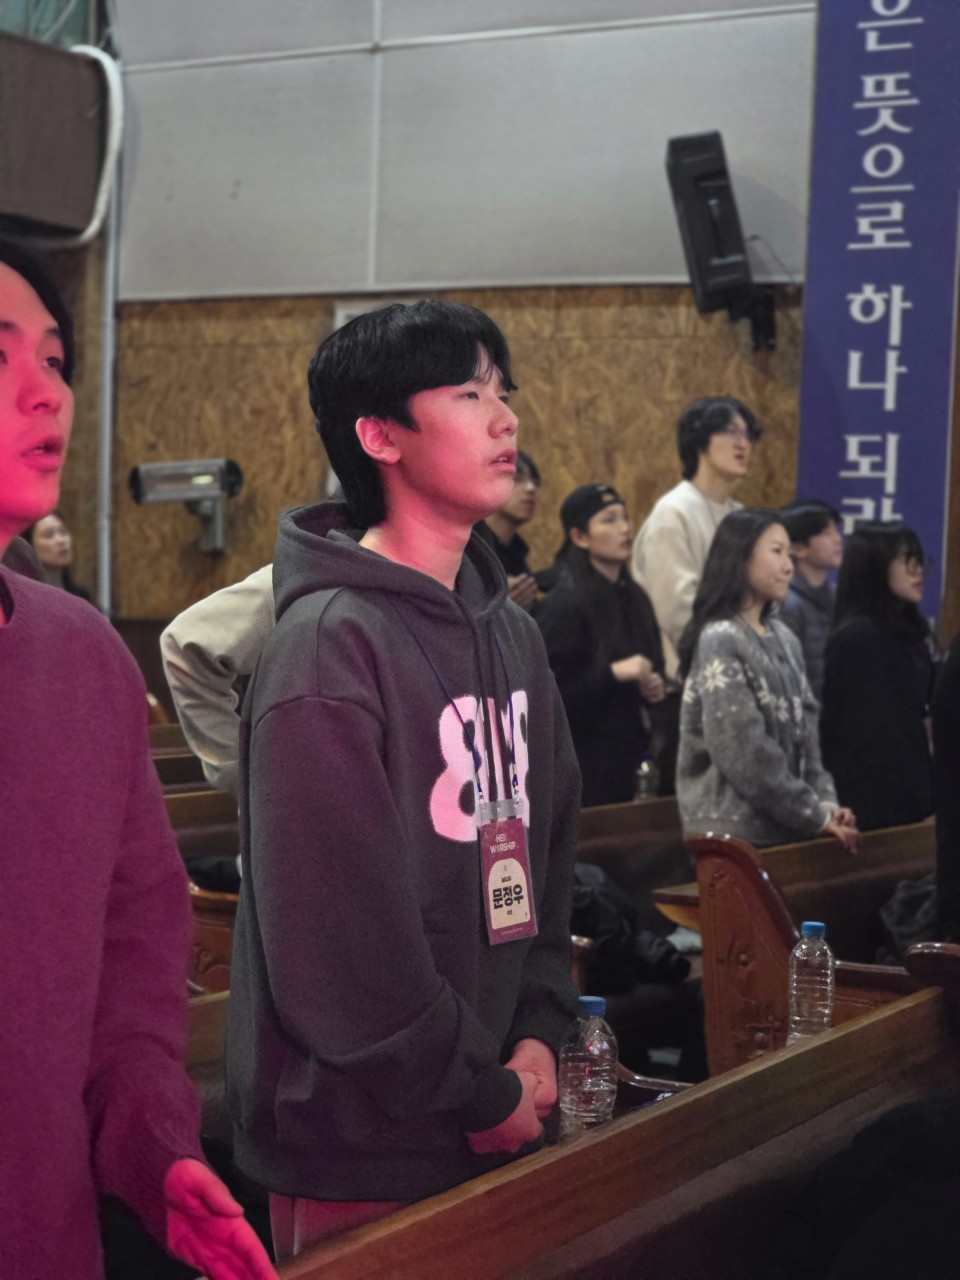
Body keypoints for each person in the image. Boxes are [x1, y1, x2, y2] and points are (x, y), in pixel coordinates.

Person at [225, 299, 580, 1259]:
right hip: (361, 1135)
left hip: (500, 1093)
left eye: (503, 392)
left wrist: (537, 1029)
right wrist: (473, 1088)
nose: (505, 418)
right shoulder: (326, 647)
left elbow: (548, 854)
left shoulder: (514, 635)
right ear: (379, 435)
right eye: (468, 394)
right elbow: (337, 942)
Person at [0, 240, 276, 1280]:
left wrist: (154, 1148)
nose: (47, 393)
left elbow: (131, 963)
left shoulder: (82, 662)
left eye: (57, 360)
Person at [676, 508, 857, 850]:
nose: (788, 566)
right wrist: (813, 814)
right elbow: (743, 753)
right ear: (740, 557)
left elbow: (808, 739)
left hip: (788, 825)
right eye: (776, 552)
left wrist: (826, 804)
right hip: (734, 834)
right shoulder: (721, 637)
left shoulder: (784, 638)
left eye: (789, 554)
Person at [535, 484, 666, 806]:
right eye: (609, 520)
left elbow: (653, 663)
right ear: (580, 537)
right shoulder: (564, 600)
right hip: (581, 763)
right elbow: (546, 692)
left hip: (629, 755)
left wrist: (653, 686)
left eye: (625, 517)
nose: (625, 528)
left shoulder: (635, 596)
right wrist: (612, 673)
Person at [632, 396, 761, 677]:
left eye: (747, 434)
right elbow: (677, 612)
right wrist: (729, 657)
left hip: (741, 667)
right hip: (689, 676)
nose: (743, 444)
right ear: (699, 440)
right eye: (731, 431)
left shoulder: (739, 514)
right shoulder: (674, 512)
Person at [821, 522, 937, 832]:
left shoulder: (909, 633)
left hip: (912, 799)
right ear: (873, 566)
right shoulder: (859, 638)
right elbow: (872, 738)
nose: (917, 570)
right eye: (905, 559)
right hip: (873, 808)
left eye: (919, 559)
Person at [777, 500, 843, 702]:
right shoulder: (786, 602)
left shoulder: (838, 596)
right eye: (826, 533)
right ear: (797, 548)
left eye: (836, 531)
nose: (837, 539)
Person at [473, 448, 542, 609]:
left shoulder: (518, 555)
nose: (531, 488)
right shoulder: (469, 550)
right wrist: (495, 606)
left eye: (535, 482)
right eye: (517, 479)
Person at [24, 507, 92, 600]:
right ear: (30, 545)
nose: (61, 541)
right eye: (49, 535)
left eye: (63, 532)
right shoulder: (25, 597)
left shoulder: (81, 597)